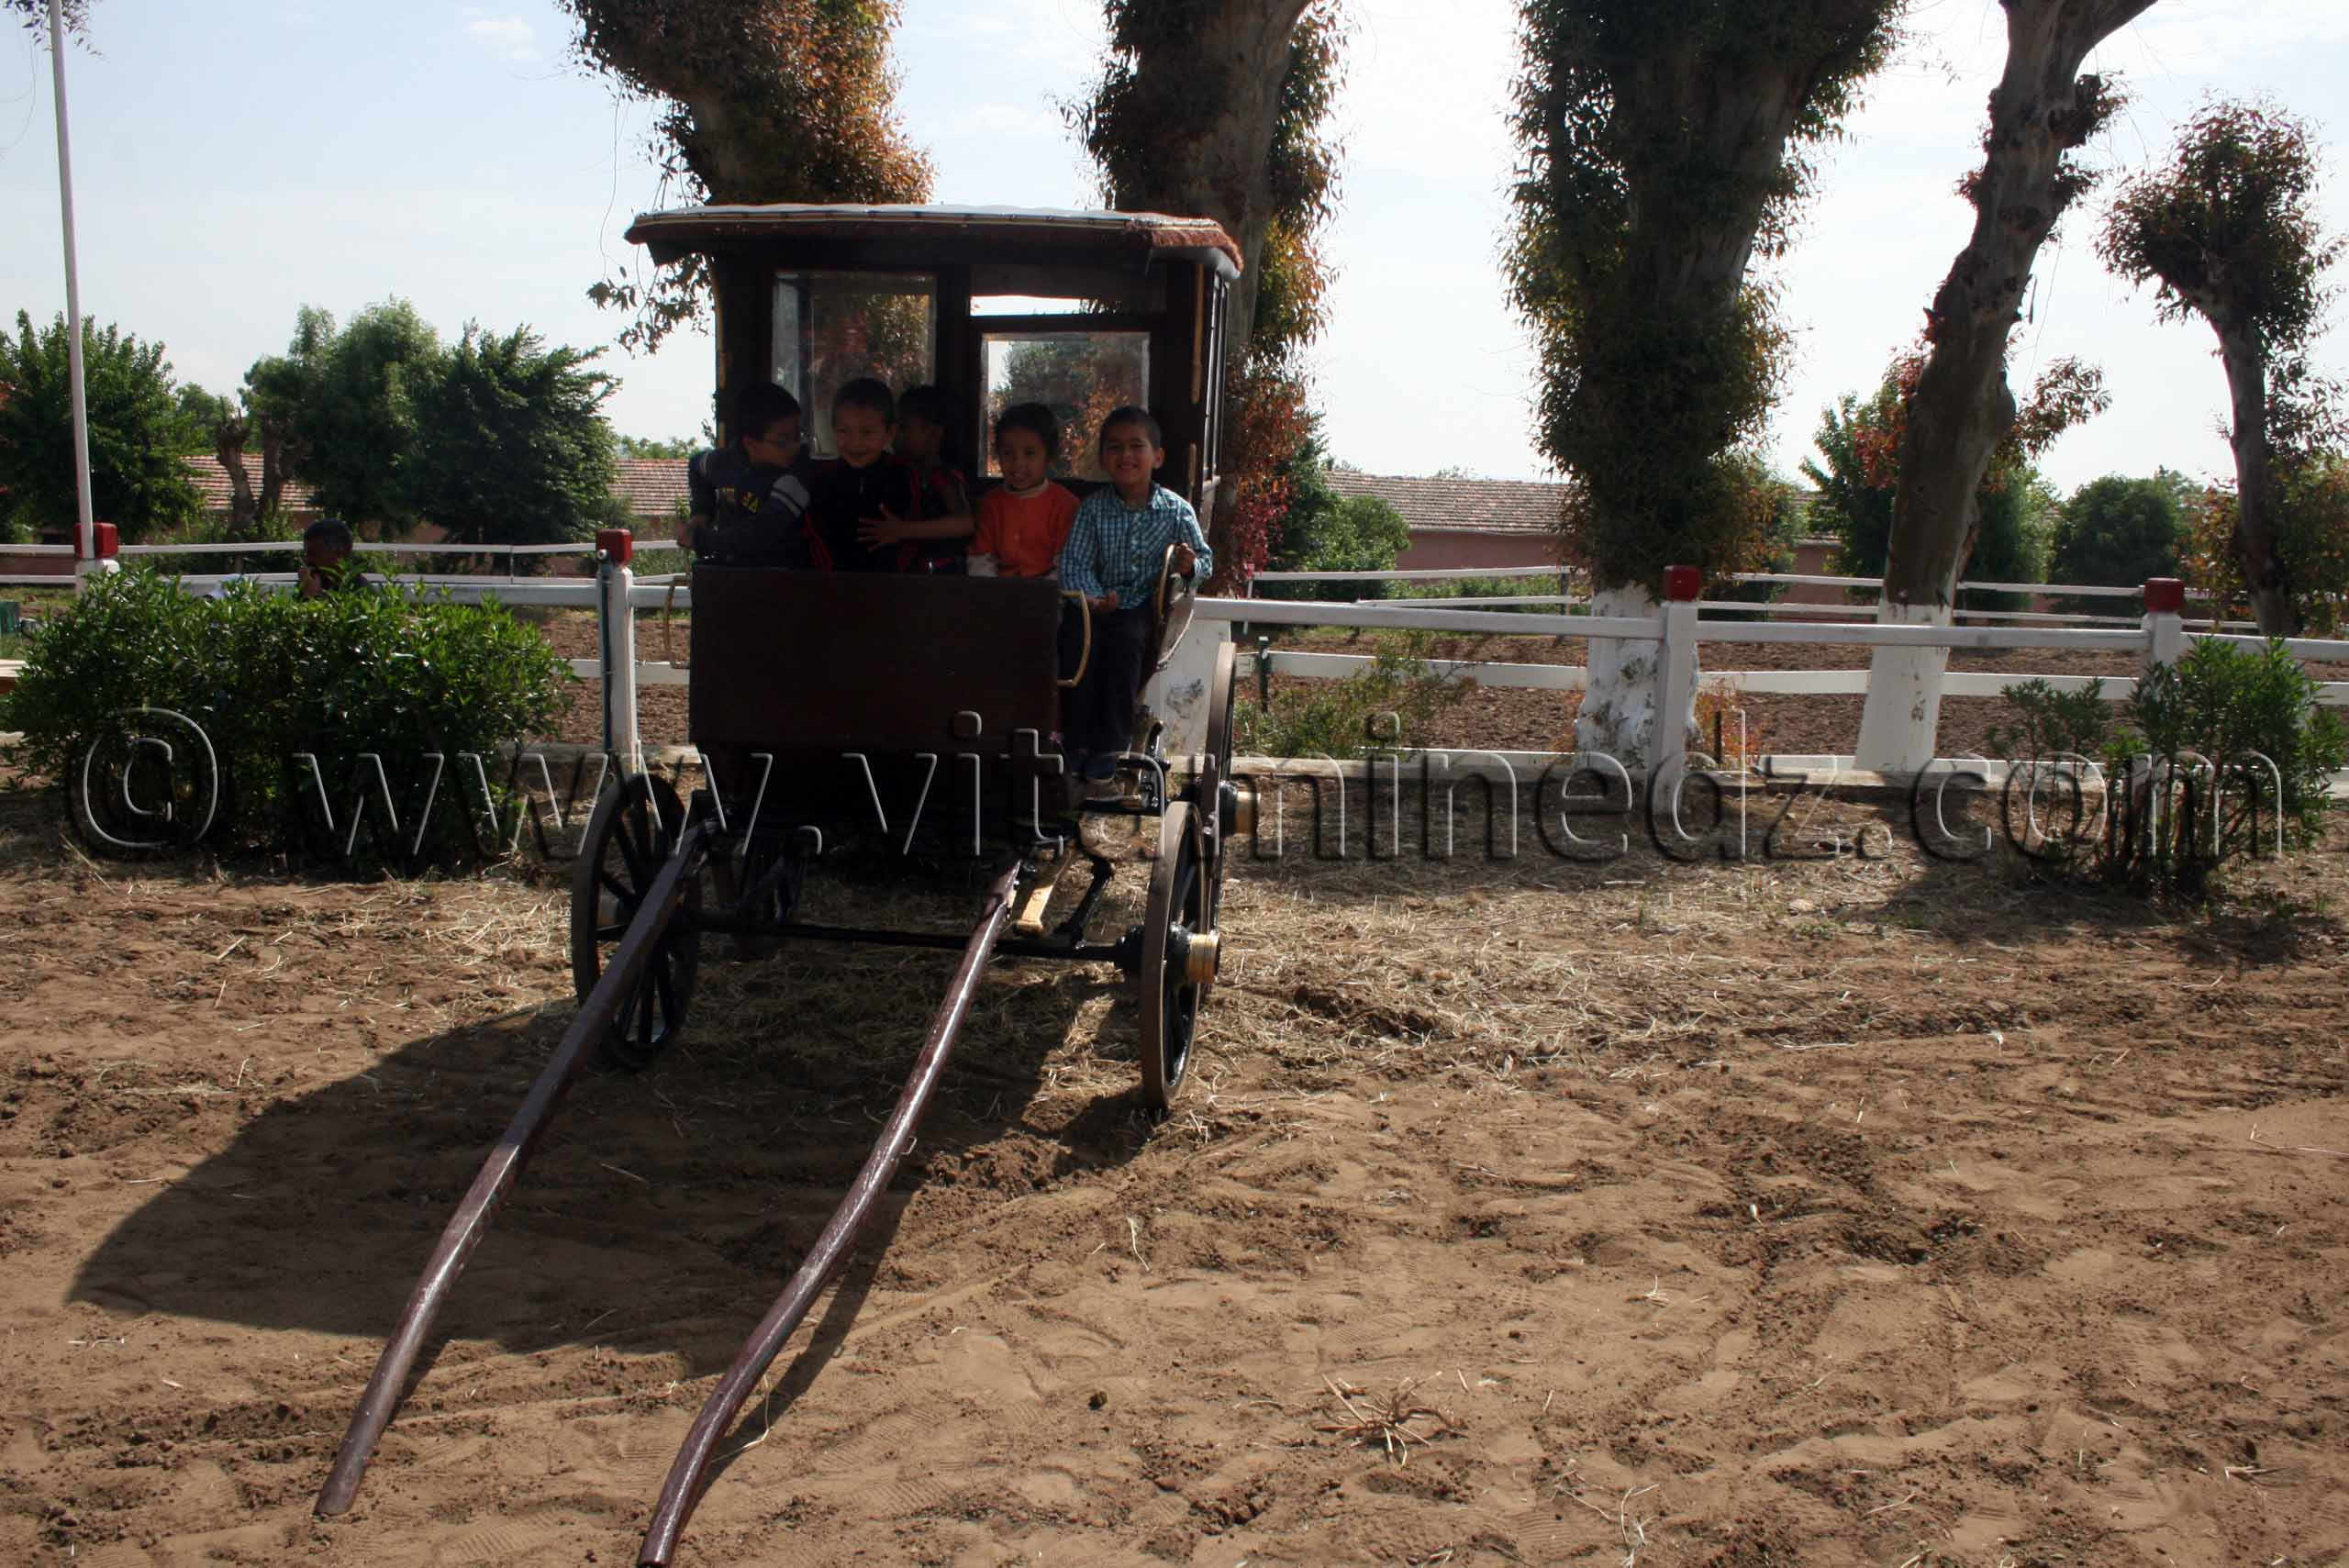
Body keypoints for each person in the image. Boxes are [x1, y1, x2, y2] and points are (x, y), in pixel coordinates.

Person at [1056, 406, 1211, 788]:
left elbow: (1205, 561)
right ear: (1103, 458)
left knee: (1127, 648)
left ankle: (1110, 746)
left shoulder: (1176, 510)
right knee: (1075, 646)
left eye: (1135, 446)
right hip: (1093, 607)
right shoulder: (1092, 509)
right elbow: (1074, 564)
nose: (1125, 455)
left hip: (1141, 607)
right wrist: (1093, 599)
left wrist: (1190, 566)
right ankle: (1076, 742)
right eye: (1115, 447)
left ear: (1156, 457)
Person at [685, 383, 812, 563]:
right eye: (783, 441)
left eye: (798, 436)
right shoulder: (723, 463)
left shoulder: (797, 474)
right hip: (732, 574)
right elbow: (696, 467)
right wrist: (701, 513)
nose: (795, 447)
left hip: (784, 580)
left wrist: (700, 539)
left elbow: (761, 532)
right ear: (751, 444)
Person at [804, 378, 918, 572]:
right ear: (833, 429)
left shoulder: (904, 475)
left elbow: (912, 540)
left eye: (867, 433)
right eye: (843, 431)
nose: (855, 443)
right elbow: (812, 536)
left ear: (890, 433)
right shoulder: (821, 478)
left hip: (892, 589)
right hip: (828, 587)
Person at [857, 384, 974, 573]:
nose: (896, 436)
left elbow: (965, 523)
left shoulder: (942, 478)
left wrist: (902, 530)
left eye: (904, 428)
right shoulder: (902, 472)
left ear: (935, 433)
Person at [968, 403, 1077, 579]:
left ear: (1048, 456)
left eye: (1030, 453)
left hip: (1049, 595)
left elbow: (1068, 565)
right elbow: (980, 559)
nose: (1018, 463)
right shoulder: (989, 504)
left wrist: (1039, 594)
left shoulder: (1065, 505)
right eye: (1008, 453)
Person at [297, 517, 370, 597]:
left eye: (313, 554)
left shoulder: (361, 592)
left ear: (339, 554)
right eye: (305, 554)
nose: (306, 560)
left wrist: (312, 594)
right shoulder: (312, 581)